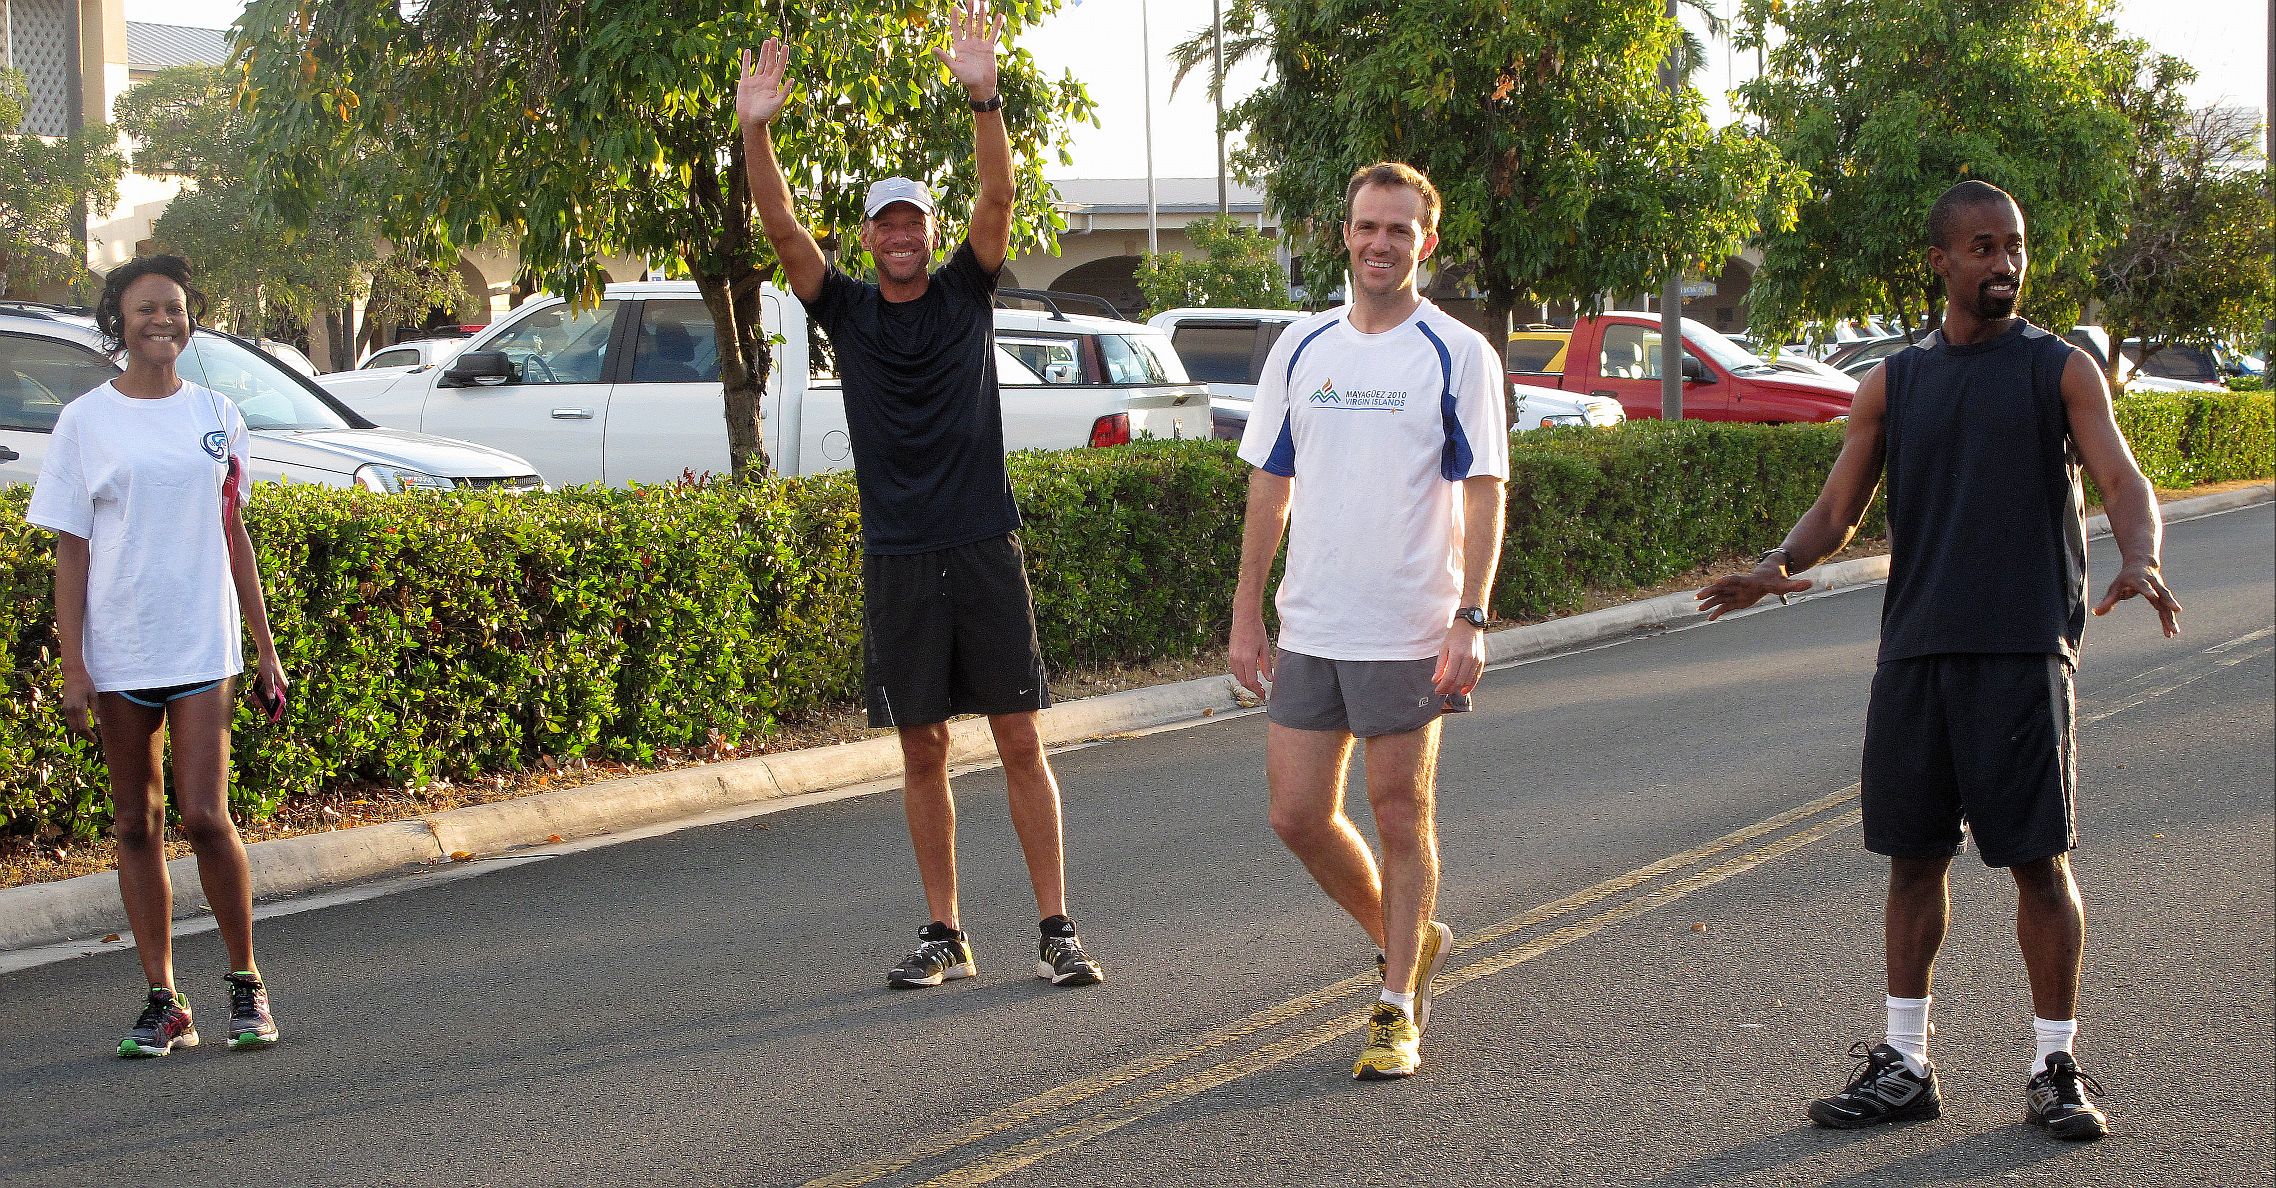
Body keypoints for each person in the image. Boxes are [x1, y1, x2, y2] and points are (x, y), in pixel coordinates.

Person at [1699, 179, 2183, 1141]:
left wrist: (2143, 556)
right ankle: (1905, 1064)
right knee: (1913, 862)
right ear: (1942, 262)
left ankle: (2055, 1066)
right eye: (1983, 248)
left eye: (2015, 247)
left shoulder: (2061, 369)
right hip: (1917, 650)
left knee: (2038, 865)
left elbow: (2124, 478)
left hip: (2021, 648)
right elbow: (1837, 509)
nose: (2004, 264)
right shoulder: (1894, 381)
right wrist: (1776, 564)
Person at [735, 1, 1103, 989]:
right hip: (897, 555)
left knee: (1019, 739)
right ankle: (943, 932)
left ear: (928, 233)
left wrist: (984, 97)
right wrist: (754, 130)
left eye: (913, 223)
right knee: (924, 749)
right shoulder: (844, 311)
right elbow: (777, 223)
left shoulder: (962, 290)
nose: (900, 237)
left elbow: (999, 195)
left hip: (983, 541)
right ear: (867, 236)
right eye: (884, 224)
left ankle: (1056, 928)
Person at [1228, 162, 1509, 1079]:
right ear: (1343, 235)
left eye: (1398, 229)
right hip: (1311, 622)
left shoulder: (1457, 352)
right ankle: (1408, 941)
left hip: (1409, 627)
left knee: (1399, 813)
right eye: (1365, 227)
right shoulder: (1302, 348)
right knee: (1297, 814)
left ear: (1425, 242)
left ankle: (1396, 1009)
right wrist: (1246, 611)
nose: (1379, 243)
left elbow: (1483, 492)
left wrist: (1470, 614)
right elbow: (1271, 483)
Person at [27, 254, 288, 1056]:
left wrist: (267, 649)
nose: (162, 321)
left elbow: (233, 530)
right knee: (136, 823)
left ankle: (246, 984)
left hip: (203, 643)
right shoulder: (85, 422)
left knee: (206, 816)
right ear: (119, 320)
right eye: (145, 309)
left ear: (190, 320)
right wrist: (74, 666)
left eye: (174, 309)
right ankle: (164, 999)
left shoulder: (217, 413)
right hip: (120, 652)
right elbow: (72, 552)